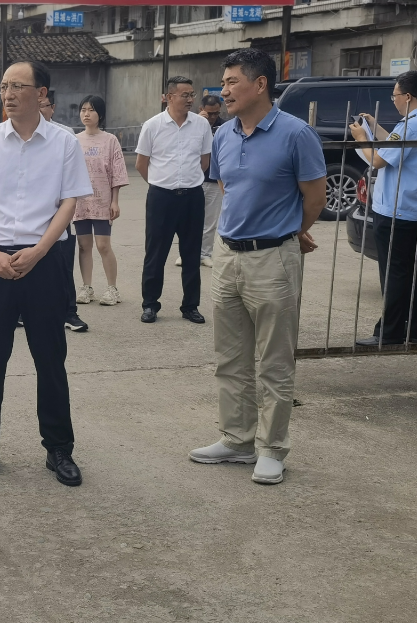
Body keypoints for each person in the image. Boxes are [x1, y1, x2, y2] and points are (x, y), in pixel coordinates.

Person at [189, 48, 326, 485]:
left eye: (232, 82)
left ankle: (271, 448)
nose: (223, 91)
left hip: (273, 258)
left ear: (260, 84)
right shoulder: (223, 135)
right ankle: (237, 439)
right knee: (230, 358)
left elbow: (315, 197)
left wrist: (291, 232)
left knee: (274, 361)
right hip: (227, 256)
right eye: (223, 82)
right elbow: (227, 186)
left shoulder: (296, 134)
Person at [0, 61, 93, 487]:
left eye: (17, 86)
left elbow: (69, 202)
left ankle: (58, 448)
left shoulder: (64, 142)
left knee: (50, 359)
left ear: (42, 93)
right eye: (4, 86)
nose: (8, 94)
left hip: (45, 260)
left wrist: (40, 251)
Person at [135, 76, 213, 324]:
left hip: (192, 197)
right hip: (161, 197)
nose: (190, 99)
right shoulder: (152, 125)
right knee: (155, 253)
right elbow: (141, 164)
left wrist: (187, 181)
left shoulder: (201, 125)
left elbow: (204, 162)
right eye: (185, 95)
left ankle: (190, 306)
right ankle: (150, 304)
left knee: (192, 253)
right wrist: (161, 184)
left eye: (192, 94)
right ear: (169, 97)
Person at [350, 69, 417, 346]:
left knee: (394, 273)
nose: (394, 100)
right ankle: (411, 329)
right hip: (410, 208)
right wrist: (374, 128)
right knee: (408, 272)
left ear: (408, 96)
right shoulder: (410, 125)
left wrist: (360, 139)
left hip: (396, 210)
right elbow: (395, 147)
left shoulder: (410, 124)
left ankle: (389, 332)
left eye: (395, 96)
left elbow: (378, 160)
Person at [37, 94, 89, 332]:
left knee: (63, 265)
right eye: (36, 105)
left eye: (43, 106)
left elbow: (73, 178)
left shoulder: (65, 135)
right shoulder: (15, 134)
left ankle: (69, 313)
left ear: (53, 108)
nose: (39, 110)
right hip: (28, 212)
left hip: (58, 211)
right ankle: (22, 312)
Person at [73, 95, 129, 307]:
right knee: (84, 246)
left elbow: (117, 172)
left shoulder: (110, 140)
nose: (86, 114)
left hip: (102, 201)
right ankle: (86, 287)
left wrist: (115, 201)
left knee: (103, 245)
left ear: (101, 114)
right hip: (80, 203)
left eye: (91, 110)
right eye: (83, 110)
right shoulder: (74, 140)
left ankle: (112, 289)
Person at [196, 94, 225, 268]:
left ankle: (205, 253)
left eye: (216, 113)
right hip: (195, 179)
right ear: (201, 109)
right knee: (191, 219)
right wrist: (200, 122)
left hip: (214, 179)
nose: (213, 117)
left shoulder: (224, 127)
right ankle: (187, 253)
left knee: (210, 221)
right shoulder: (193, 124)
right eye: (210, 113)